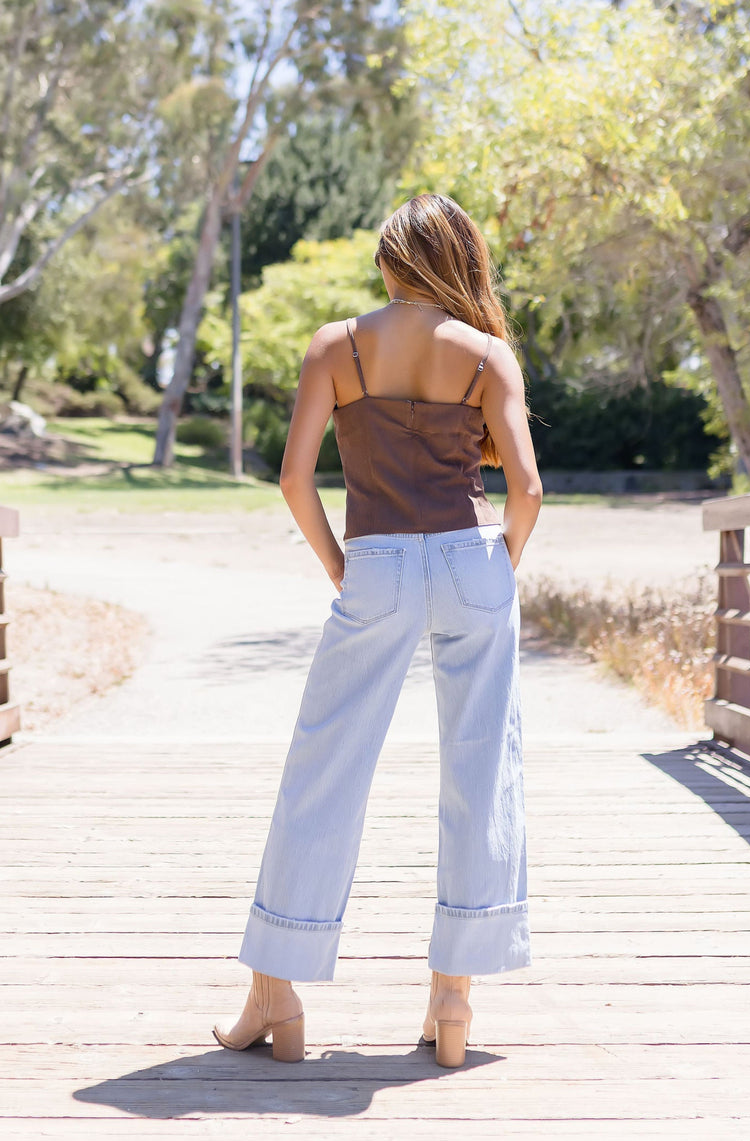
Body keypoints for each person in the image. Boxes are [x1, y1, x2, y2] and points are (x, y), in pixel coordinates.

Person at [213, 193, 542, 1068]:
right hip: (472, 560)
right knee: (481, 767)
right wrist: (492, 572)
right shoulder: (487, 354)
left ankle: (275, 992)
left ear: (390, 262)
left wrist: (342, 565)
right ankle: (452, 998)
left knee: (322, 766)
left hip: (379, 563)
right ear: (459, 261)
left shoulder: (337, 344)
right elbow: (528, 491)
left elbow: (293, 479)